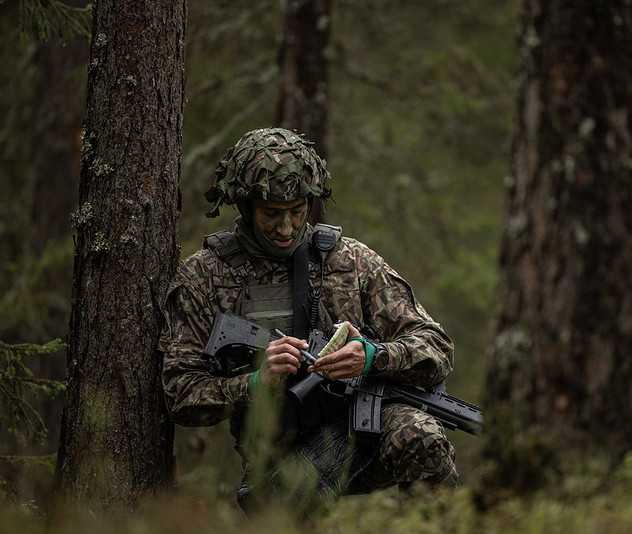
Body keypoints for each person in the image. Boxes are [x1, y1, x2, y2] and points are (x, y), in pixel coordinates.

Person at [159, 127, 460, 512]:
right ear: (245, 205)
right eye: (271, 214)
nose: (286, 228)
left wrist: (373, 356)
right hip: (279, 462)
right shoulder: (205, 277)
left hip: (362, 432)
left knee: (421, 434)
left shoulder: (349, 262)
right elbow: (180, 394)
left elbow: (435, 347)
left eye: (297, 211)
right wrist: (254, 382)